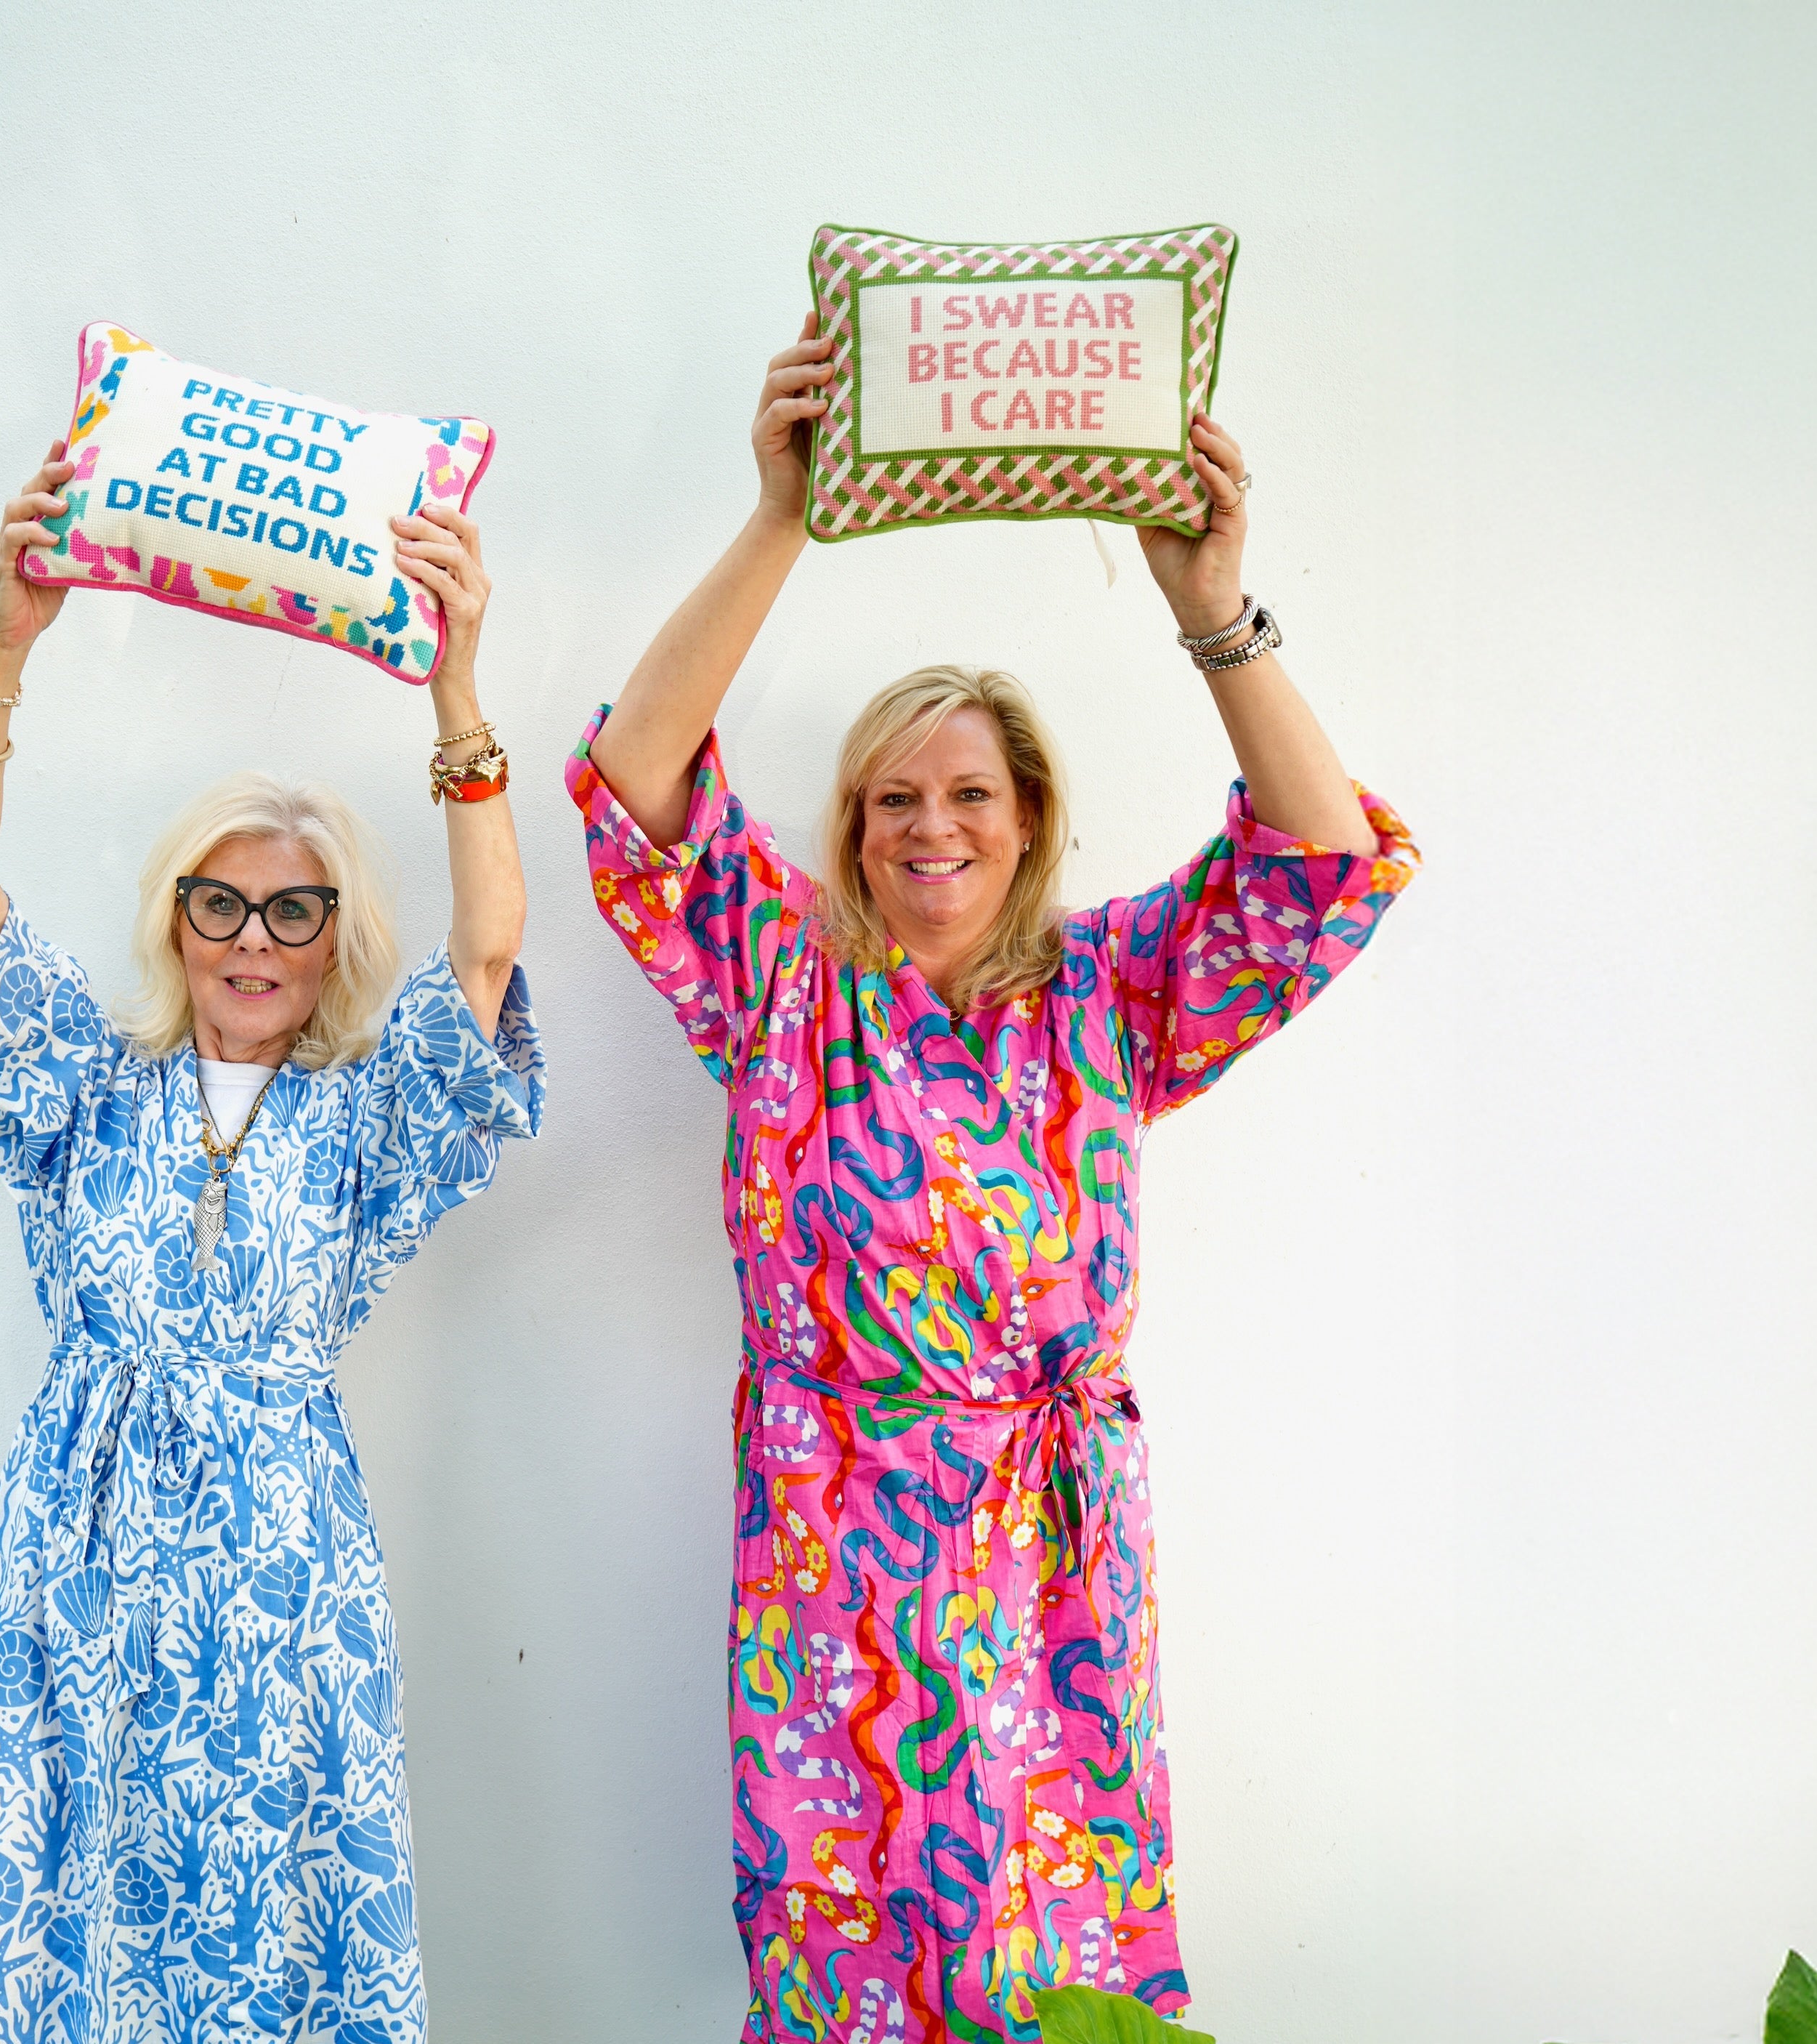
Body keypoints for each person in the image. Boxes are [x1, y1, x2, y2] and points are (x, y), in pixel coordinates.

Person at [567, 323, 1420, 2041]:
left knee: (1060, 1950)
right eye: (891, 798)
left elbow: (1322, 864)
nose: (926, 827)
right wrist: (782, 518)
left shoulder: (1111, 995)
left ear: (1027, 817)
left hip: (1049, 1556)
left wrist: (1209, 601)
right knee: (847, 1952)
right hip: (834, 1555)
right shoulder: (781, 985)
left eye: (966, 792)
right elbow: (635, 786)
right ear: (854, 828)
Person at [0, 441, 540, 2044]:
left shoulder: (370, 1118)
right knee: (53, 1896)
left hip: (283, 1571)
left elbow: (495, 943)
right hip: (77, 1546)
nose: (255, 938)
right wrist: (1, 645)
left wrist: (457, 694)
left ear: (339, 940)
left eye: (296, 909)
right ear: (176, 917)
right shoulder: (84, 1085)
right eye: (221, 901)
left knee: (267, 1900)